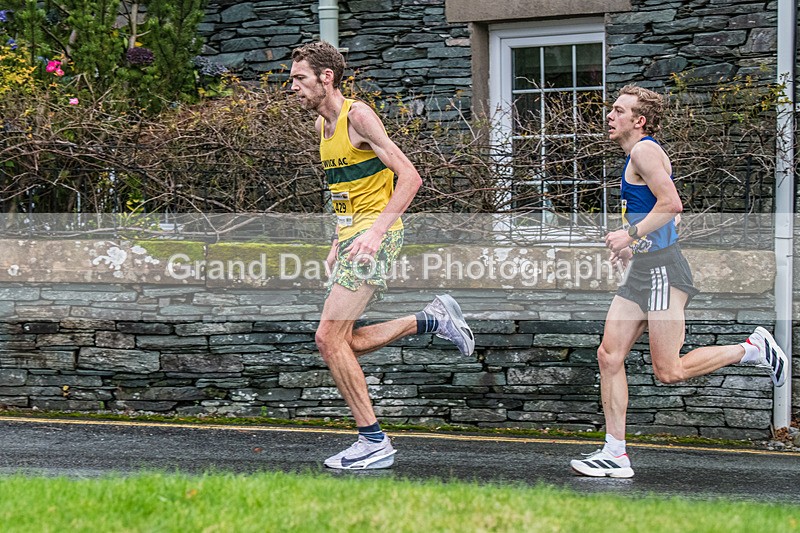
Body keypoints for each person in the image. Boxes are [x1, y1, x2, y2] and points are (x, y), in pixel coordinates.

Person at [570, 85, 789, 479]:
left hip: (662, 272)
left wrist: (629, 234)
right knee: (609, 355)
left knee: (669, 371)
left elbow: (673, 205)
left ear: (639, 121)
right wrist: (632, 247)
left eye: (619, 111)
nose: (610, 115)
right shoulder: (637, 155)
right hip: (644, 269)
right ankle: (615, 453)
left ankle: (752, 348)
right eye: (612, 109)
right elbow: (670, 218)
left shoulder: (644, 151)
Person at [289, 41, 475, 470]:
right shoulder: (322, 127)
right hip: (355, 236)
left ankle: (374, 442)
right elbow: (346, 191)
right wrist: (340, 237)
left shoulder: (358, 116)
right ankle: (431, 319)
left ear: (326, 78)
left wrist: (373, 234)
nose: (292, 86)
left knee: (327, 338)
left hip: (378, 236)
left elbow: (410, 178)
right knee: (342, 341)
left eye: (300, 78)